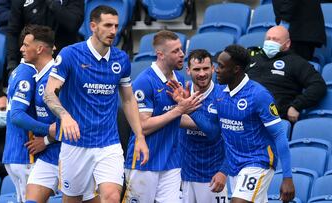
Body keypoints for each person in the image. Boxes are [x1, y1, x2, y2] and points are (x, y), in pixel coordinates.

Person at [43, 5, 149, 203]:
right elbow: (49, 93)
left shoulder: (121, 59)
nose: (113, 31)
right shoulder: (70, 54)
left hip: (108, 144)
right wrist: (65, 116)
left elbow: (127, 99)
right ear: (93, 26)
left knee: (111, 196)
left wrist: (140, 136)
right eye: (108, 25)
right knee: (72, 200)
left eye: (116, 26)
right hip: (75, 144)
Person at [170, 45, 295, 203]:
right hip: (235, 165)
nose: (216, 71)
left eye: (221, 67)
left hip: (258, 161)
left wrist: (287, 177)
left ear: (236, 69)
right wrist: (190, 109)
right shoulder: (221, 94)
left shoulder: (258, 95)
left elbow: (279, 134)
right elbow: (213, 132)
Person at [123, 30, 201, 203]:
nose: (182, 54)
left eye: (181, 49)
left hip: (171, 162)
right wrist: (179, 109)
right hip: (144, 161)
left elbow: (177, 118)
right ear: (160, 55)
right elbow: (142, 126)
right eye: (175, 51)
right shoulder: (145, 81)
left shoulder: (178, 80)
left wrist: (204, 122)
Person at [3, 25, 55, 203]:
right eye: (23, 45)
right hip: (26, 151)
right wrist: (49, 130)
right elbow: (17, 115)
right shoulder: (28, 72)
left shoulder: (19, 70)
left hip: (16, 151)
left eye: (25, 45)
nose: (21, 49)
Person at [246, 26, 327, 123]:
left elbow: (318, 85)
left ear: (287, 44)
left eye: (275, 40)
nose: (270, 42)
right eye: (268, 39)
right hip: (241, 111)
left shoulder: (296, 62)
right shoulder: (252, 58)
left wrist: (296, 106)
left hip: (272, 117)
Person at [179, 49, 228, 203]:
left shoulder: (224, 96)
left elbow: (219, 135)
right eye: (197, 69)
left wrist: (224, 171)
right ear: (188, 71)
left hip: (214, 176)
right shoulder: (179, 93)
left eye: (206, 68)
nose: (202, 74)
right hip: (183, 175)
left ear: (213, 68)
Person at [6, 0, 84, 74]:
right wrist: (12, 63)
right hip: (31, 64)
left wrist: (53, 4)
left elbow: (73, 24)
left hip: (63, 62)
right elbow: (13, 32)